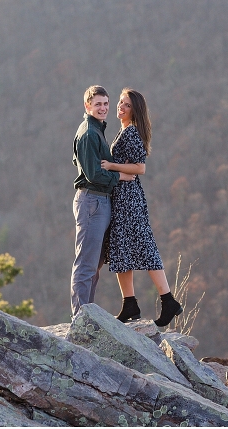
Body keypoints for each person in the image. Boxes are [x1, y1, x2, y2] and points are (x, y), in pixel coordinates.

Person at [101, 88, 183, 328]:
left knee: (144, 247)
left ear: (135, 110)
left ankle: (168, 300)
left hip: (129, 199)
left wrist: (112, 166)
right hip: (121, 197)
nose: (121, 106)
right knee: (120, 248)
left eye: (126, 104)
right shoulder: (124, 130)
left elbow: (140, 168)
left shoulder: (131, 133)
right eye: (120, 102)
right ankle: (129, 303)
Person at [71, 85, 135, 317]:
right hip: (92, 202)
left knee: (94, 265)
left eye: (106, 103)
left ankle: (87, 314)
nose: (103, 108)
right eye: (98, 104)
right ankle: (80, 318)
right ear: (87, 106)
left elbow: (78, 161)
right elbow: (93, 174)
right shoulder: (89, 133)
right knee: (86, 265)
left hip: (99, 202)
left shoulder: (96, 130)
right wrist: (120, 176)